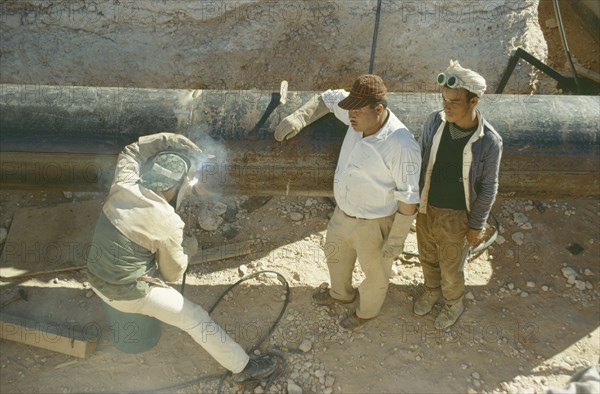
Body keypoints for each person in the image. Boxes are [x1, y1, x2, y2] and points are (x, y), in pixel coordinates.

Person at [87, 132, 277, 382]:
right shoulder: (167, 221)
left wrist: (169, 140)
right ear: (173, 187)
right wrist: (188, 249)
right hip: (128, 293)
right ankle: (243, 369)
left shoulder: (126, 182)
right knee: (195, 317)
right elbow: (172, 274)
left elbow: (131, 151)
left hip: (95, 276)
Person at [274, 75, 421, 330]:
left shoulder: (401, 145)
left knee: (375, 275)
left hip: (375, 224)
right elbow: (328, 98)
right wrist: (300, 116)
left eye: (358, 111)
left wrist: (396, 241)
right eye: (350, 110)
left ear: (379, 109)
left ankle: (366, 312)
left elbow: (409, 198)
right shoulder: (357, 115)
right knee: (335, 258)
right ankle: (340, 295)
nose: (351, 116)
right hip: (343, 215)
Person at [415, 60, 503, 329]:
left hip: (457, 216)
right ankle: (431, 291)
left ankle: (453, 302)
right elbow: (420, 157)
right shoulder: (435, 121)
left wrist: (477, 224)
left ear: (474, 101)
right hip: (427, 208)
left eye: (455, 101)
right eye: (445, 99)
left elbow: (489, 186)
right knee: (427, 257)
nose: (447, 106)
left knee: (451, 267)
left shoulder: (488, 141)